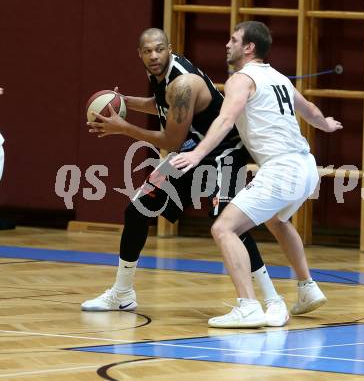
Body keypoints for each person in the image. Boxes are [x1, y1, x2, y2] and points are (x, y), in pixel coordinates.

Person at [82, 28, 290, 327]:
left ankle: (274, 302)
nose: (154, 56)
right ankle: (122, 293)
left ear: (170, 48)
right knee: (138, 209)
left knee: (230, 223)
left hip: (225, 149)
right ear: (139, 54)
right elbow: (162, 106)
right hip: (193, 149)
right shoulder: (162, 79)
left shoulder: (182, 84)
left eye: (159, 49)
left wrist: (123, 127)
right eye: (147, 51)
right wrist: (124, 100)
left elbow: (171, 140)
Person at [171, 21, 342, 328]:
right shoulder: (280, 79)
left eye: (233, 39)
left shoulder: (241, 78)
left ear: (248, 47)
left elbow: (225, 120)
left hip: (282, 169)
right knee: (278, 221)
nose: (227, 44)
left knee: (224, 228)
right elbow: (311, 110)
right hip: (305, 167)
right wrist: (326, 124)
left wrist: (197, 154)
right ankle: (307, 288)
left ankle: (248, 306)